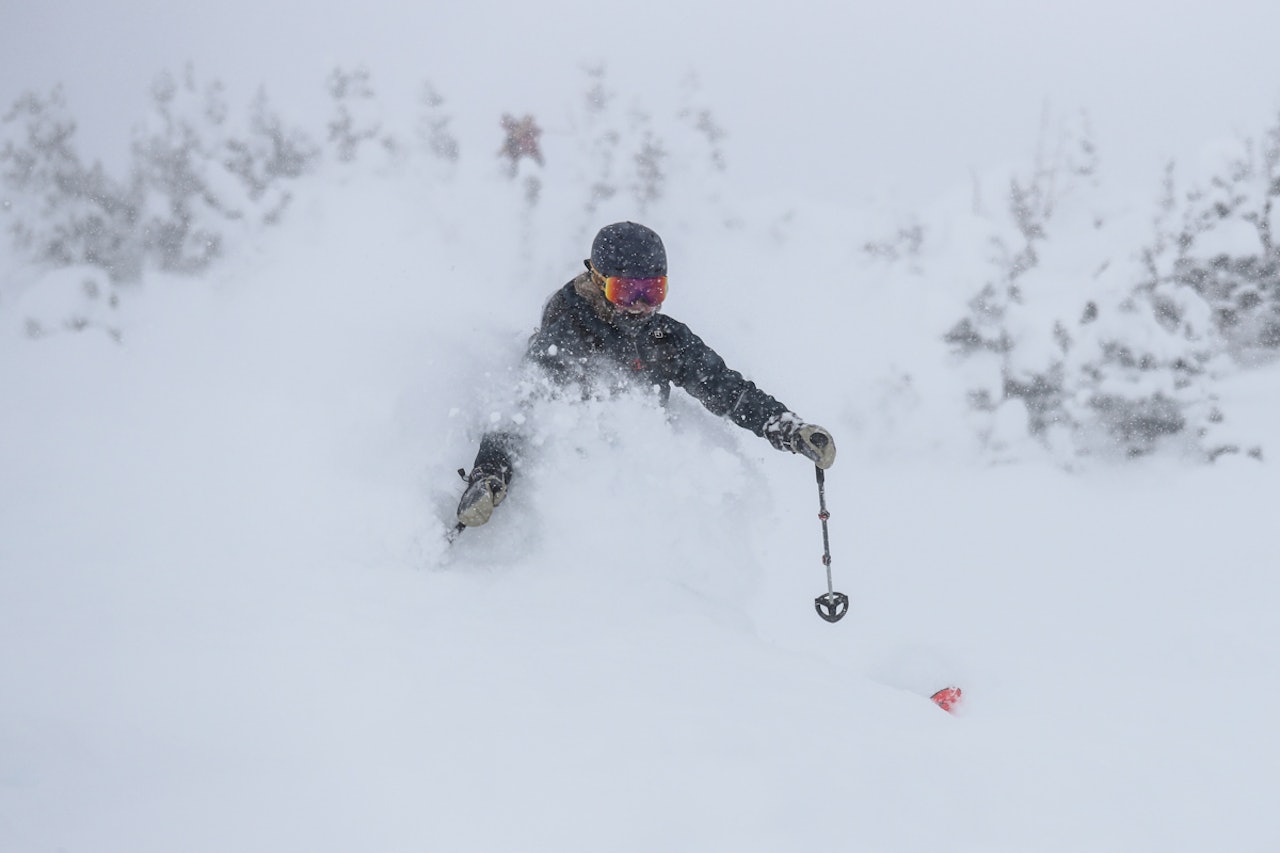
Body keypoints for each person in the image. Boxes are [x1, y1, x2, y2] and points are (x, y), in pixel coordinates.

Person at [455, 221, 836, 528]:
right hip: (576, 492)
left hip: (639, 489)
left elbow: (727, 389)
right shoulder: (567, 335)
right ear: (598, 281)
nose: (640, 307)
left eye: (653, 293)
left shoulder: (664, 338)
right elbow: (520, 410)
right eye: (628, 293)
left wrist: (788, 430)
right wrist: (489, 476)